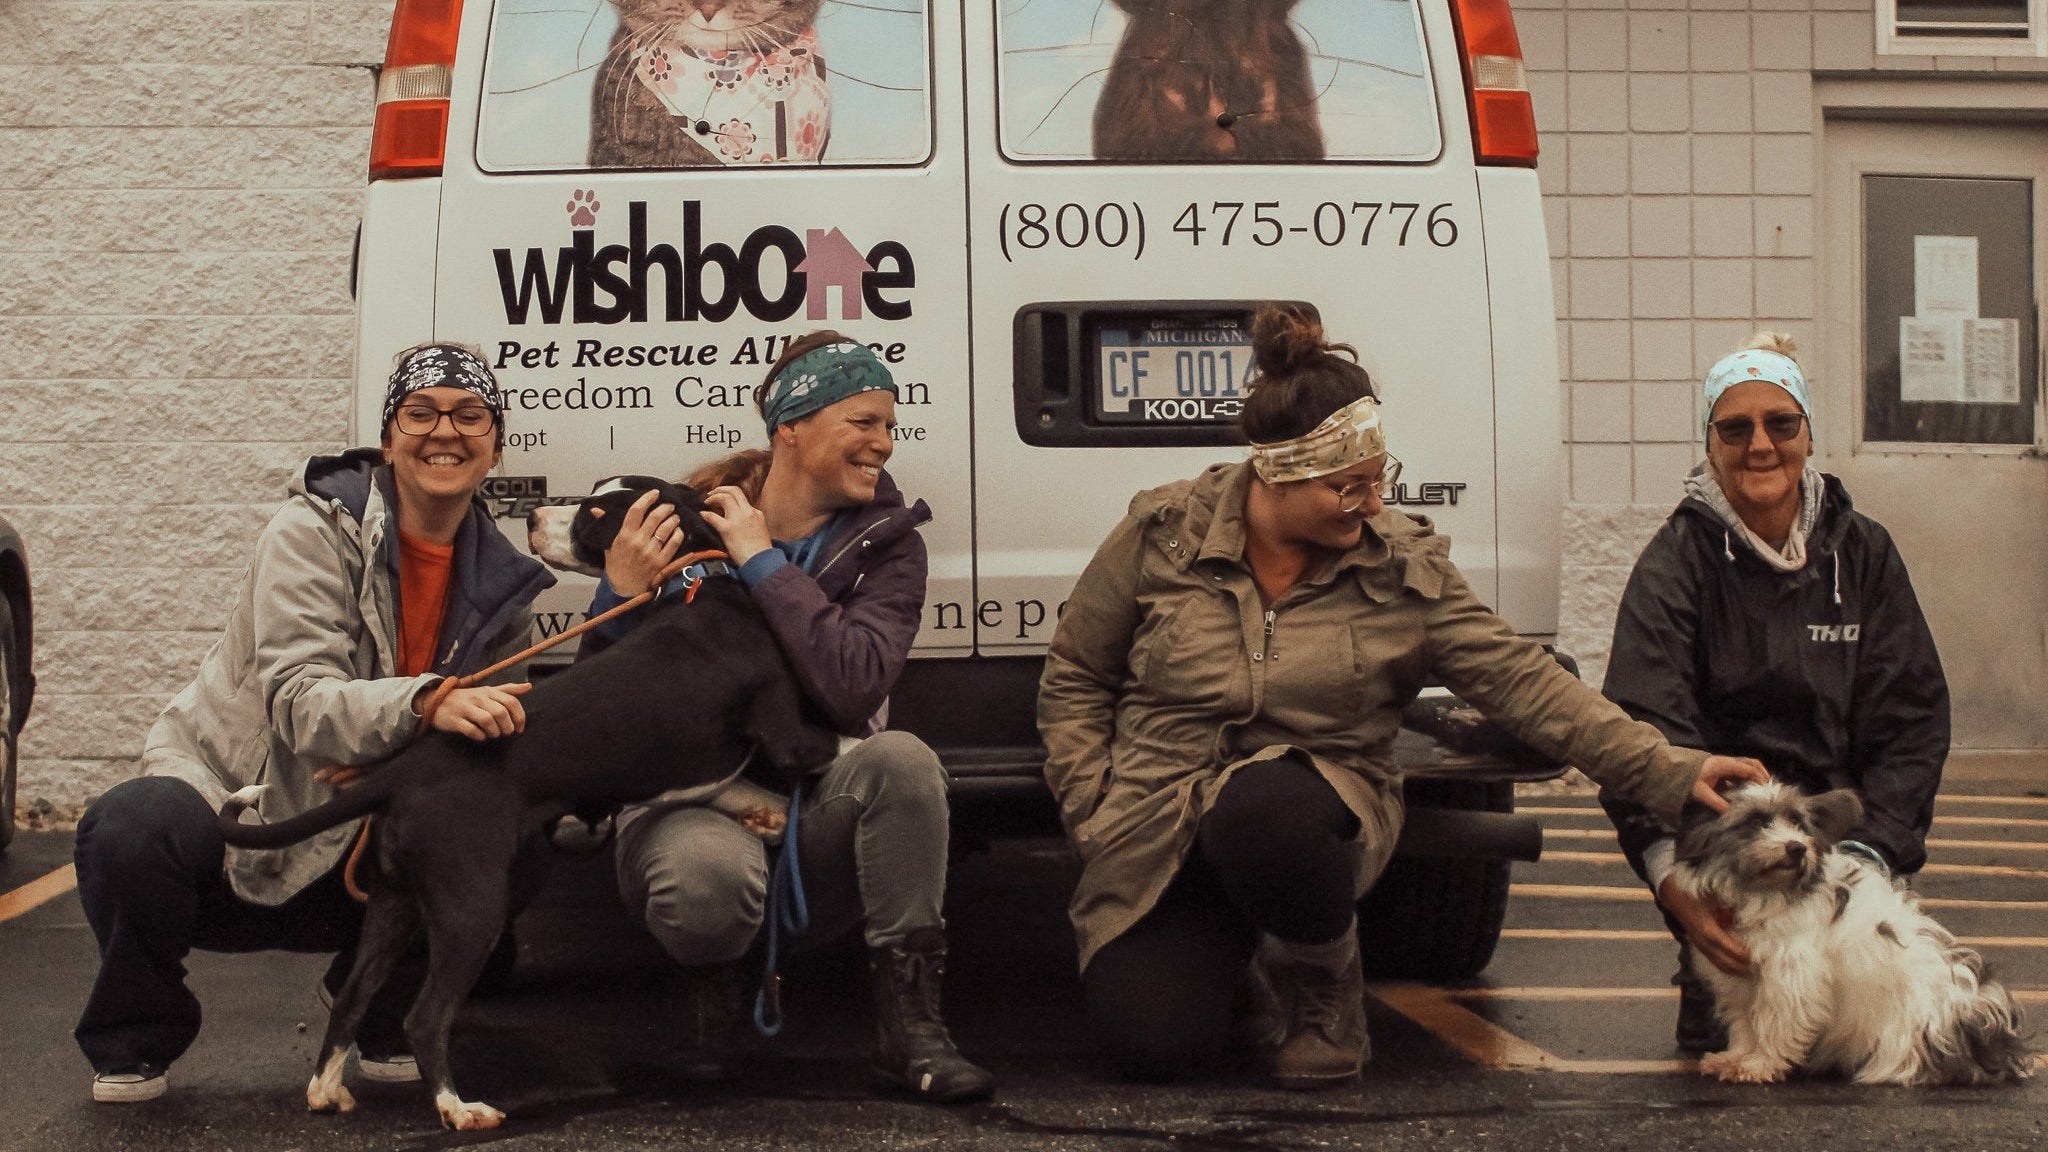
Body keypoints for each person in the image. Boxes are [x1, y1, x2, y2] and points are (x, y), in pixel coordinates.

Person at [1037, 304, 1771, 1087]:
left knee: (1263, 808)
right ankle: (1240, 971)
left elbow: (1523, 683)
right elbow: (1077, 676)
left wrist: (1666, 768)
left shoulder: (1401, 573)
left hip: (1310, 810)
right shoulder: (1164, 535)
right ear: (1278, 476)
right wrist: (1093, 801)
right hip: (1157, 820)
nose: (1373, 503)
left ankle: (1326, 990)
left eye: (1376, 479)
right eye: (1347, 487)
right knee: (1157, 1047)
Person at [72, 344, 557, 1103]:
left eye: (470, 416)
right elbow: (298, 699)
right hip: (245, 818)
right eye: (420, 413)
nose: (445, 433)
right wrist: (425, 700)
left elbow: (498, 751)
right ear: (389, 438)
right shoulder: (309, 530)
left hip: (362, 860)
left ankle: (378, 1004)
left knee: (514, 836)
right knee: (130, 827)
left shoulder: (506, 588)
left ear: (495, 446)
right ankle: (135, 1035)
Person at [582, 332, 994, 1104]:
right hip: (689, 807)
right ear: (791, 428)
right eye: (863, 421)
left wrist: (762, 562)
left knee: (901, 758)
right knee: (704, 878)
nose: (883, 443)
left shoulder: (890, 547)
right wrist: (617, 594)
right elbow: (606, 702)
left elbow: (851, 685)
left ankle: (912, 1030)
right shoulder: (688, 523)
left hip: (816, 809)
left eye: (889, 426)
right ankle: (712, 997)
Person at [1598, 332, 1950, 1053]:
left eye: (1780, 423)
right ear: (1710, 443)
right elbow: (1640, 736)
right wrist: (1676, 884)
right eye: (1736, 427)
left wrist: (1868, 862)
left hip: (1845, 881)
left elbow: (1911, 722)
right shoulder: (1675, 566)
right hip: (1730, 893)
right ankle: (1712, 985)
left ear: (1809, 434)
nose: (1760, 444)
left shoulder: (1866, 555)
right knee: (1736, 1065)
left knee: (1890, 1049)